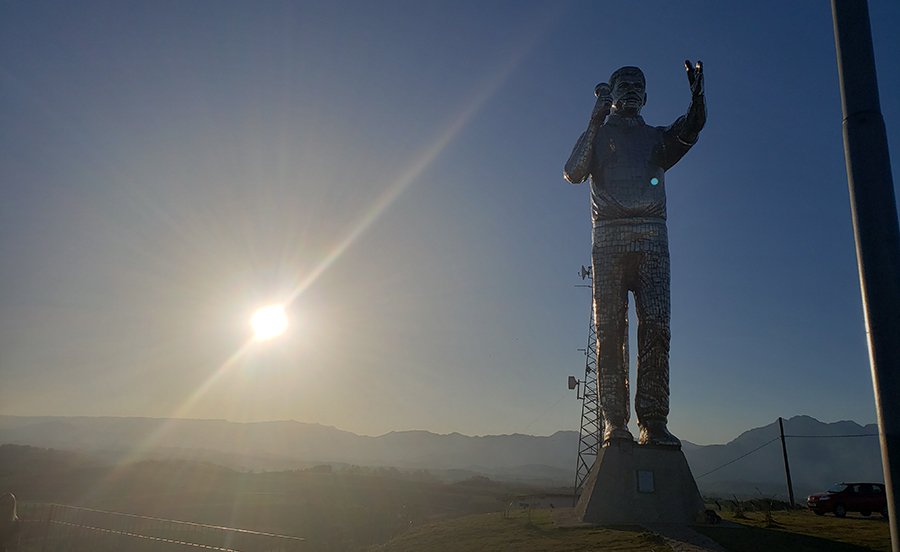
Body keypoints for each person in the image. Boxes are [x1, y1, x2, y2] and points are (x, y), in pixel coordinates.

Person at [564, 62, 706, 446]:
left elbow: (690, 129)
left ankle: (654, 421)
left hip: (652, 239)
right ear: (609, 97)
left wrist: (698, 97)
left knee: (657, 328)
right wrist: (593, 123)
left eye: (637, 86)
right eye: (621, 85)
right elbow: (573, 171)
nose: (630, 91)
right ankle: (614, 422)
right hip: (608, 237)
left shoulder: (657, 139)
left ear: (645, 97)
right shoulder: (598, 135)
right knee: (609, 332)